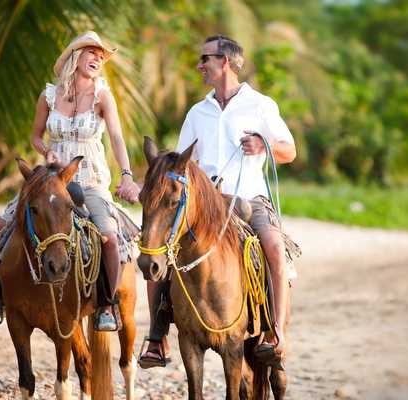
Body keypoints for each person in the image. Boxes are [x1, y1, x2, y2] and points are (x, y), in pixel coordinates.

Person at [139, 35, 296, 369]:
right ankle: (156, 337)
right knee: (158, 250)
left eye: (205, 59)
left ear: (225, 61)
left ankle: (275, 333)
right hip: (204, 204)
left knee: (274, 247)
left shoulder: (260, 105)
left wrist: (263, 144)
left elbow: (289, 150)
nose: (200, 66)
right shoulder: (198, 112)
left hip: (251, 198)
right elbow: (178, 164)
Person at [0, 31, 141, 331]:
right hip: (51, 180)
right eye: (92, 53)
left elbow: (116, 136)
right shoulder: (49, 95)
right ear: (75, 56)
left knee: (109, 237)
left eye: (101, 56)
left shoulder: (103, 95)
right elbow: (36, 136)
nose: (98, 59)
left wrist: (126, 174)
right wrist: (47, 150)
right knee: (2, 225)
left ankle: (106, 304)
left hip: (89, 179)